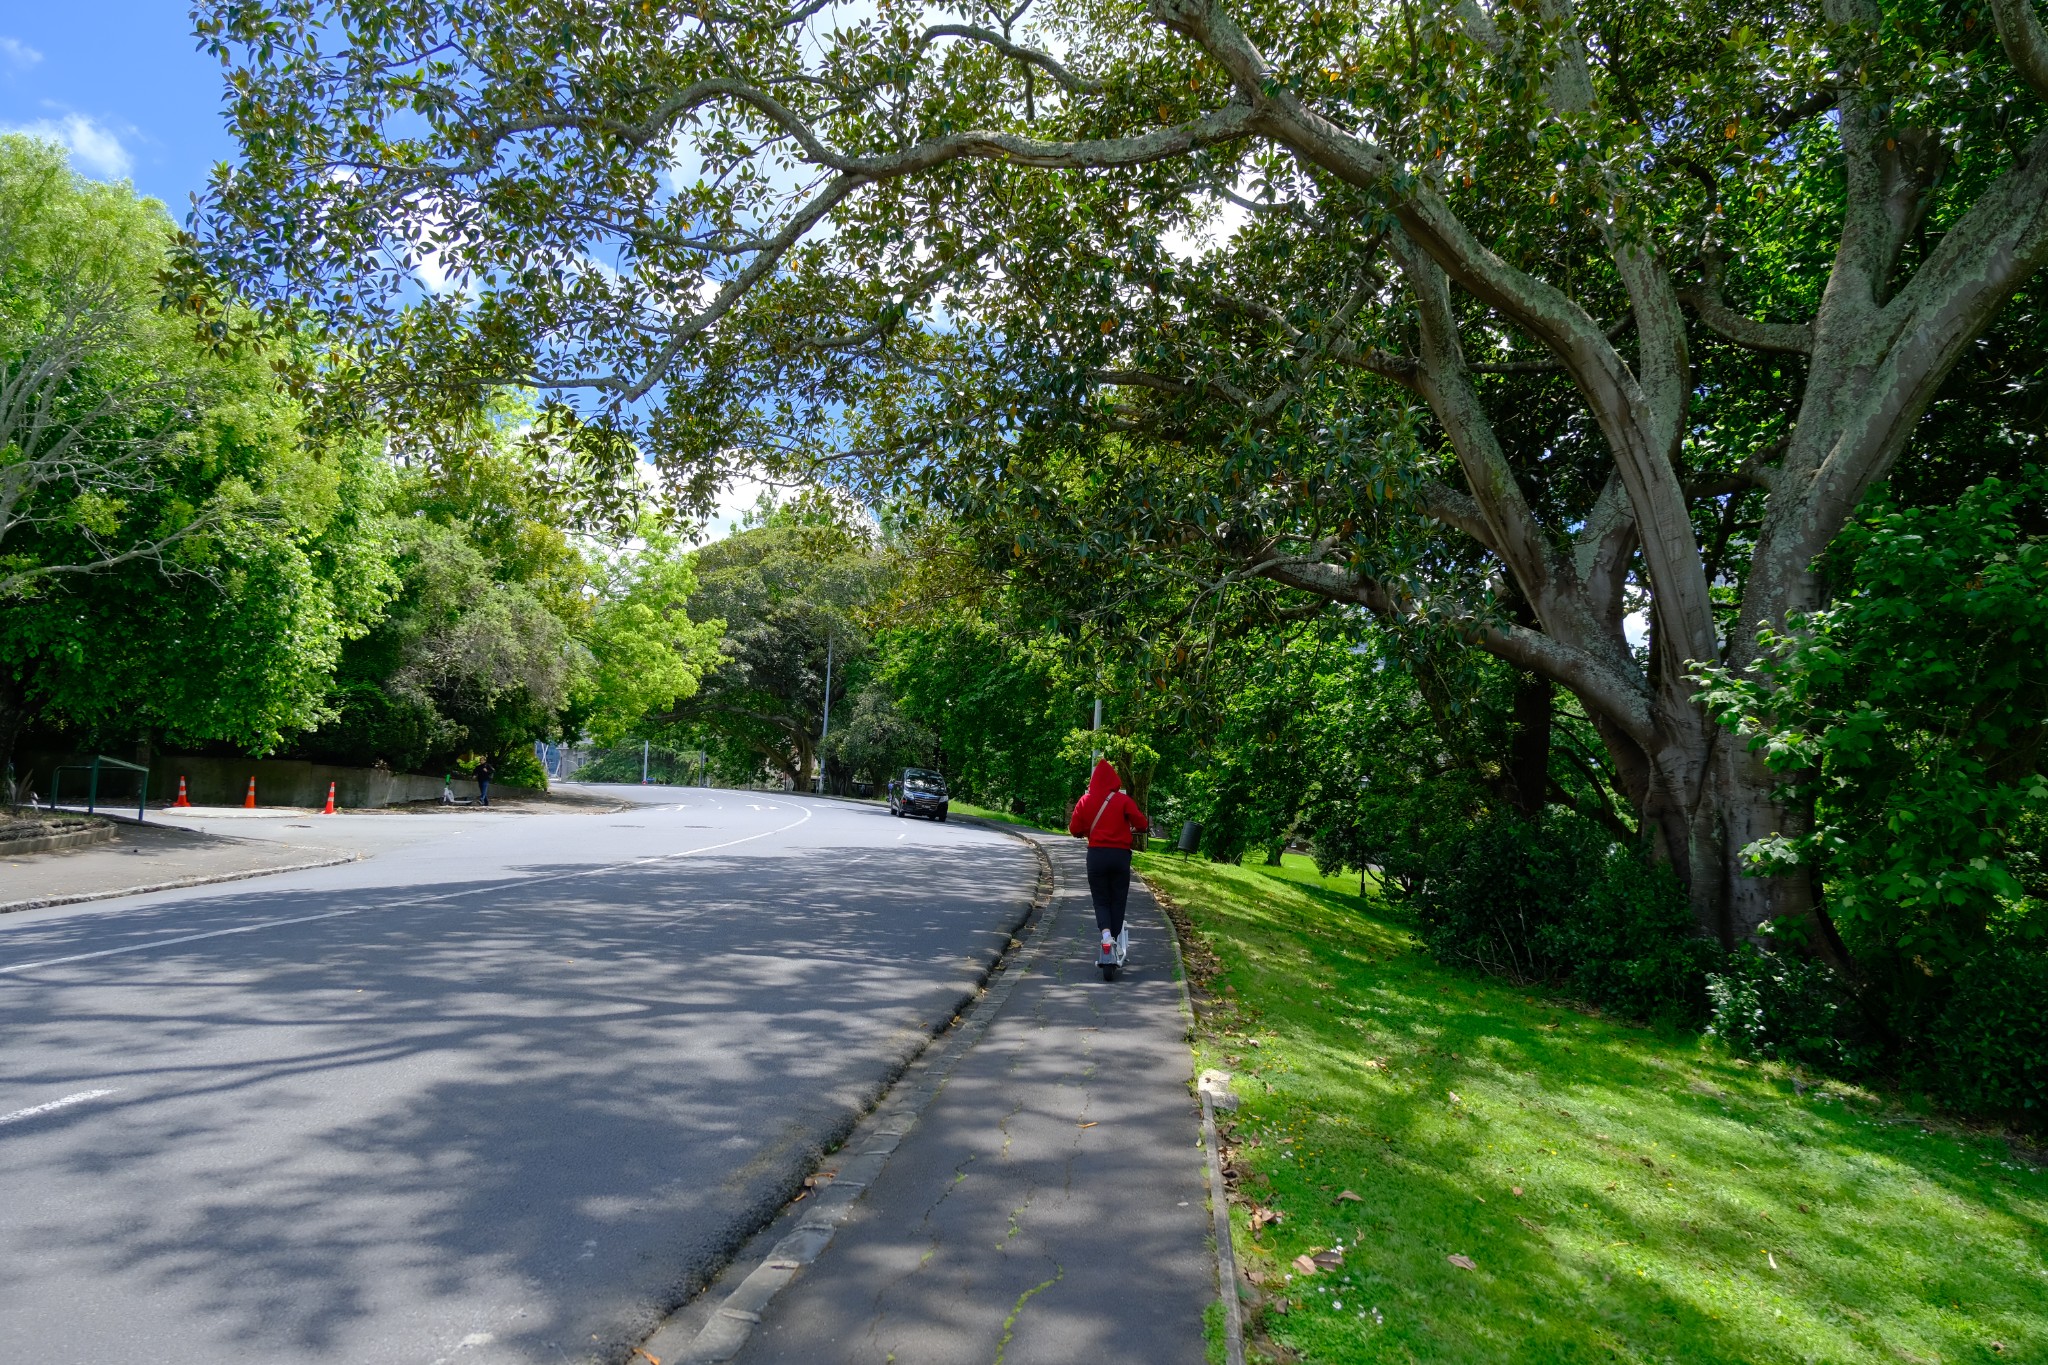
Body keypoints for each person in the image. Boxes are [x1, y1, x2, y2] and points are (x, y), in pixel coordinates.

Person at [1068, 758, 1150, 968]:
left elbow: (1074, 828)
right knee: (1118, 900)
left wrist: (1084, 832)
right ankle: (1113, 941)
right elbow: (1141, 823)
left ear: (1093, 780)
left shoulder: (1085, 800)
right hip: (1120, 857)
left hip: (1096, 856)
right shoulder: (1123, 801)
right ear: (1114, 780)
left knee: (1101, 900)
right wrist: (1135, 828)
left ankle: (1106, 937)